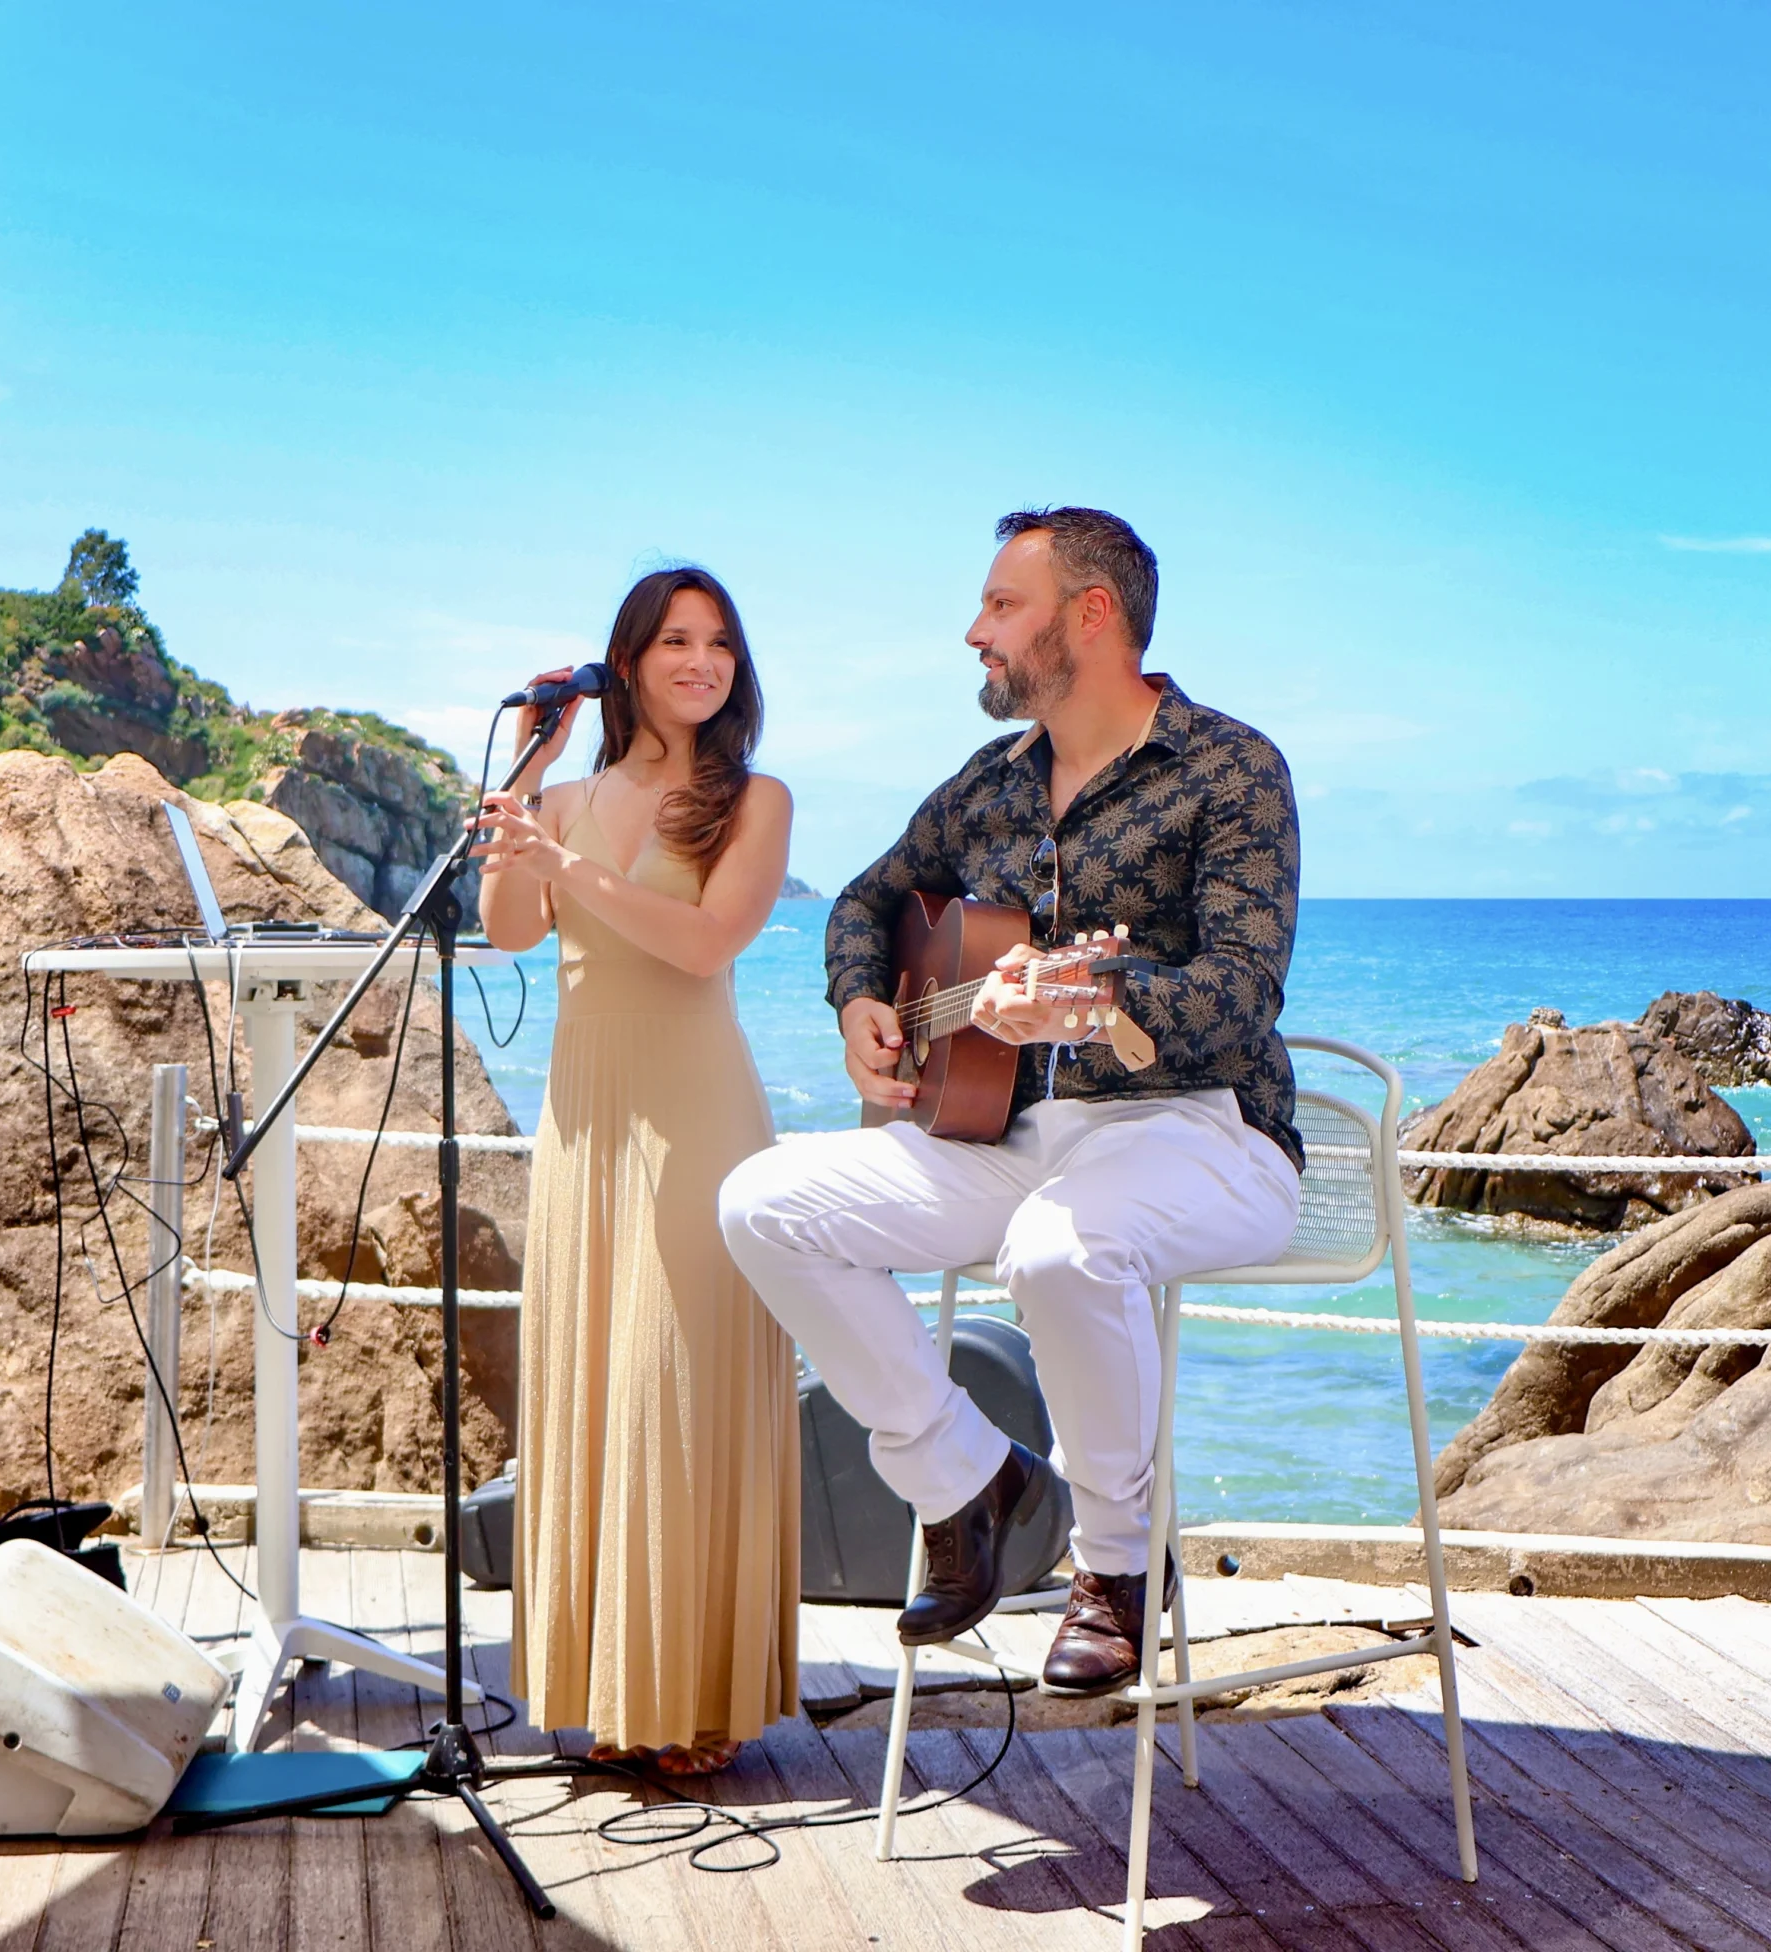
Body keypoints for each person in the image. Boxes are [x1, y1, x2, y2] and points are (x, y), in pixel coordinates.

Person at [719, 508, 1302, 1697]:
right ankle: (968, 1481)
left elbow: (1239, 996)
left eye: (1000, 605)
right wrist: (859, 1010)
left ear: (1091, 614)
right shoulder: (986, 784)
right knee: (761, 1200)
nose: (972, 630)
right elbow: (867, 904)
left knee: (1057, 1252)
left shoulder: (1231, 769)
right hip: (1007, 1137)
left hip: (1199, 1130)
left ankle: (1119, 1570)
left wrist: (1100, 1000)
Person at [473, 565, 798, 1776]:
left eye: (719, 642)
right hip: (583, 1117)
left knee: (679, 1386)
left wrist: (576, 874)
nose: (701, 662)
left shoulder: (753, 799)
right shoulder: (557, 802)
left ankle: (700, 1691)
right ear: (628, 659)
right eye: (675, 640)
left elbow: (706, 937)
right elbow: (507, 929)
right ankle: (617, 1688)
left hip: (696, 1110)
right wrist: (518, 774)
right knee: (597, 1389)